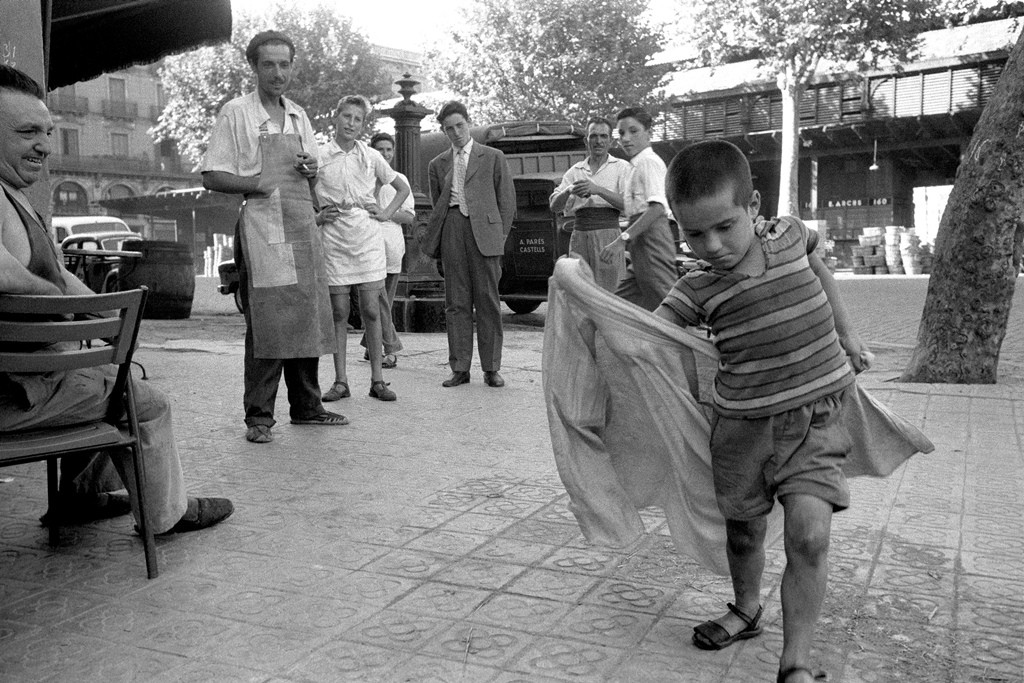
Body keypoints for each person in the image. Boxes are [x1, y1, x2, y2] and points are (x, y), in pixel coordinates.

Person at [655, 140, 871, 683]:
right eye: (693, 234)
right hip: (741, 430)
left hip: (816, 418)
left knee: (809, 534)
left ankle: (795, 664)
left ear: (753, 206)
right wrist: (580, 296)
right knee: (744, 534)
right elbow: (649, 335)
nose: (712, 245)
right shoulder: (696, 286)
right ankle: (746, 607)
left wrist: (847, 334)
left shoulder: (792, 235)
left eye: (724, 226)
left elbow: (818, 266)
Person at [0, 64, 233, 534]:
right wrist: (75, 316)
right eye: (27, 132)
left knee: (104, 372)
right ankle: (166, 516)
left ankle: (82, 496)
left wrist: (109, 316)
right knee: (146, 400)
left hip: (33, 382)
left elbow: (58, 276)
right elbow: (10, 278)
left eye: (47, 131)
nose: (44, 145)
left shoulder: (13, 194)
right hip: (16, 396)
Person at [201, 30, 344, 443]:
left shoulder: (299, 114)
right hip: (263, 227)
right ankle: (259, 417)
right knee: (267, 320)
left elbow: (314, 169)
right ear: (254, 67)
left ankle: (307, 406)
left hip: (302, 225)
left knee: (306, 313)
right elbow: (212, 174)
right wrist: (256, 181)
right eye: (269, 64)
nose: (278, 73)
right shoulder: (236, 113)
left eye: (285, 64)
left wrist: (310, 168)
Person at [315, 97, 410, 403]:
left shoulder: (370, 156)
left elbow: (402, 189)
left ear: (362, 124)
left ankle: (378, 380)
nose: (351, 123)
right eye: (347, 116)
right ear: (336, 117)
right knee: (339, 312)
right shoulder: (319, 156)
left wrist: (385, 214)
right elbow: (301, 190)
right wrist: (316, 216)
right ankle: (340, 382)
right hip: (334, 237)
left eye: (358, 119)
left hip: (367, 238)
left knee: (371, 309)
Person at [422, 101, 516, 388]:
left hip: (485, 234)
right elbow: (438, 204)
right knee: (456, 302)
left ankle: (491, 368)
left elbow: (507, 201)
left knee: (488, 300)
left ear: (468, 123)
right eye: (449, 129)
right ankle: (460, 367)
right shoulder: (437, 164)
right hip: (453, 228)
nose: (456, 132)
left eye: (460, 126)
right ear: (444, 131)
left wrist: (498, 238)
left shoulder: (492, 156)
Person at [599, 106, 678, 311]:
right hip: (639, 248)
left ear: (649, 133)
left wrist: (621, 240)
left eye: (633, 131)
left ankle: (688, 342)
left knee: (668, 308)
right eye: (622, 133)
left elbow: (657, 208)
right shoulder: (635, 165)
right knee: (617, 309)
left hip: (653, 242)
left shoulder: (649, 163)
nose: (626, 138)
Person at [549, 116, 629, 292]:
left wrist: (598, 189)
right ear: (586, 140)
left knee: (610, 292)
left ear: (610, 140)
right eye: (593, 136)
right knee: (580, 292)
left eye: (603, 136)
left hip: (609, 236)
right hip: (579, 236)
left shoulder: (621, 167)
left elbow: (628, 205)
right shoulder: (575, 171)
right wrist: (569, 190)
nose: (598, 141)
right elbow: (554, 206)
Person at [357, 132, 415, 369]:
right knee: (376, 300)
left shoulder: (400, 179)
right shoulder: (363, 178)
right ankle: (387, 346)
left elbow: (409, 216)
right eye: (380, 150)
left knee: (383, 302)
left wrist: (385, 212)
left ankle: (374, 346)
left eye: (389, 150)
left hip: (392, 247)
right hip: (368, 248)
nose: (386, 154)